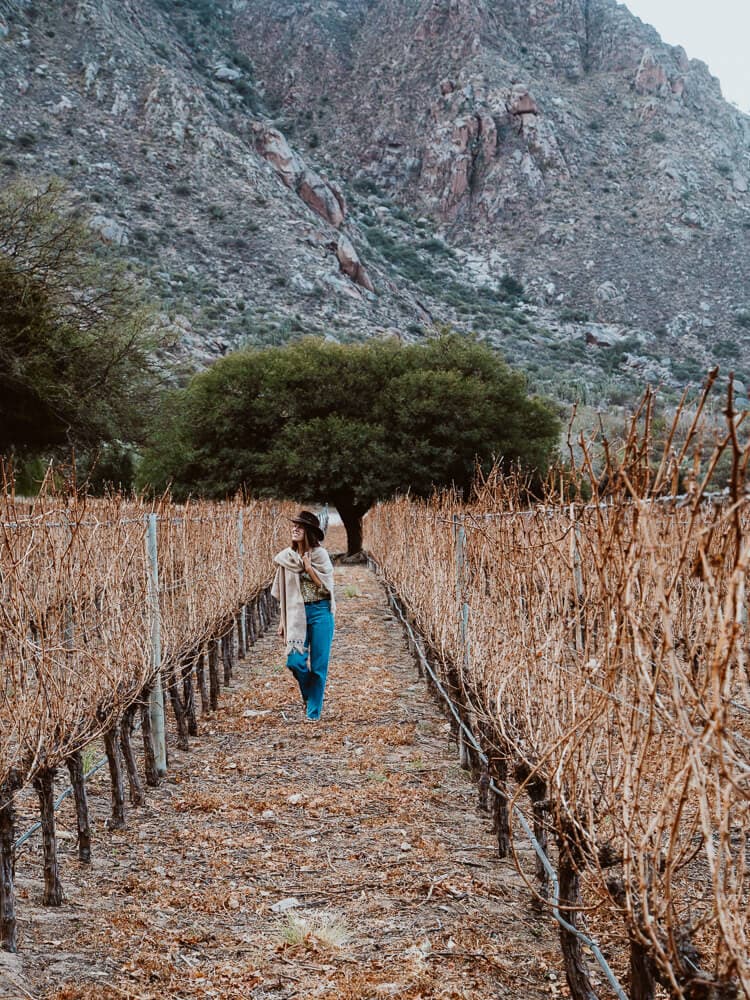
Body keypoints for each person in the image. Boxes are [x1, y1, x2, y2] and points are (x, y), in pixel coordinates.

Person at [271, 510, 335, 722]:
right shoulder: (286, 558)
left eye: (300, 526)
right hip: (296, 615)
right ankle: (310, 694)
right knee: (294, 661)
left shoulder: (320, 555)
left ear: (309, 532)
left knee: (318, 666)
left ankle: (313, 713)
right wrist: (282, 621)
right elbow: (283, 594)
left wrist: (309, 569)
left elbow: (327, 589)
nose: (295, 529)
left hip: (320, 611)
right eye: (294, 525)